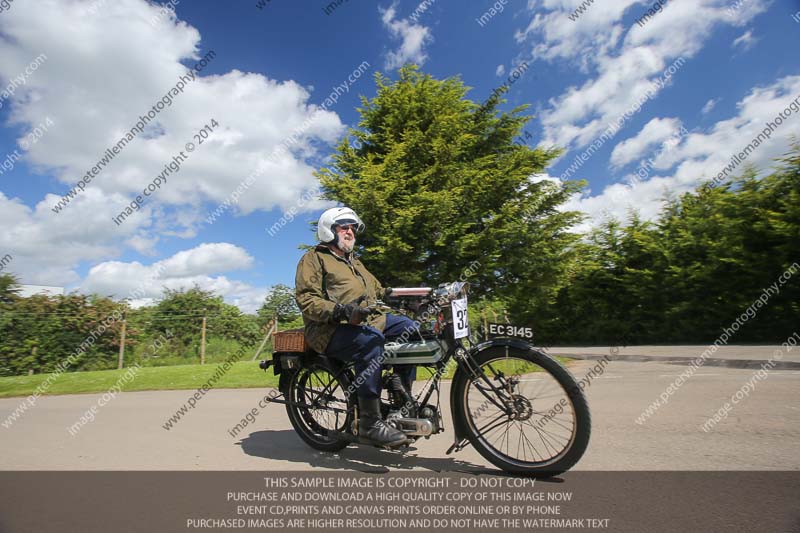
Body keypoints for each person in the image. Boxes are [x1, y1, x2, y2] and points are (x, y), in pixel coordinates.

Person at [295, 206, 418, 448]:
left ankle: (401, 397)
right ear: (329, 230)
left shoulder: (355, 262)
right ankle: (369, 423)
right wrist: (340, 311)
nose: (350, 231)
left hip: (370, 321)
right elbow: (306, 299)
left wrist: (408, 299)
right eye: (344, 227)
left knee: (412, 329)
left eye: (353, 228)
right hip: (328, 329)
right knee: (370, 341)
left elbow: (380, 291)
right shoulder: (314, 258)